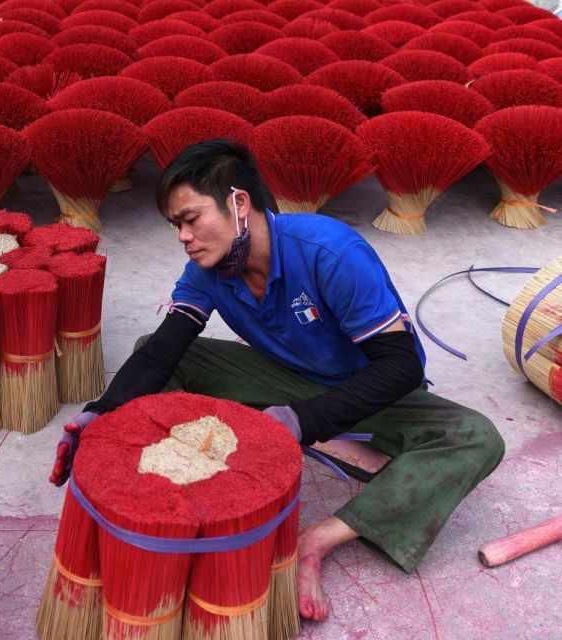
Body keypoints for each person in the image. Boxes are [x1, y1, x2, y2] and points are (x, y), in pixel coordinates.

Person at [49, 139, 505, 621]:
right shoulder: (208, 267)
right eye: (175, 226)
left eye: (191, 219)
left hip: (367, 386)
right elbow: (164, 349)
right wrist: (101, 412)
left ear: (239, 204)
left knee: (476, 438)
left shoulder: (329, 252)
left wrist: (303, 420)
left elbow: (400, 366)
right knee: (151, 354)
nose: (183, 236)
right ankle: (175, 475)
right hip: (286, 378)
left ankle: (319, 539)